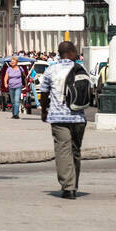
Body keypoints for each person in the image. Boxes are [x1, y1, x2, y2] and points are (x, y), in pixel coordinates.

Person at [39, 40, 86, 199]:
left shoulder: (51, 70)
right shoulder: (80, 68)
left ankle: (68, 187)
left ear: (59, 53)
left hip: (59, 117)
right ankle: (73, 184)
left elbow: (44, 93)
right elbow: (89, 89)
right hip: (79, 117)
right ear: (72, 53)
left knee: (63, 151)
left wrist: (44, 111)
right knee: (75, 151)